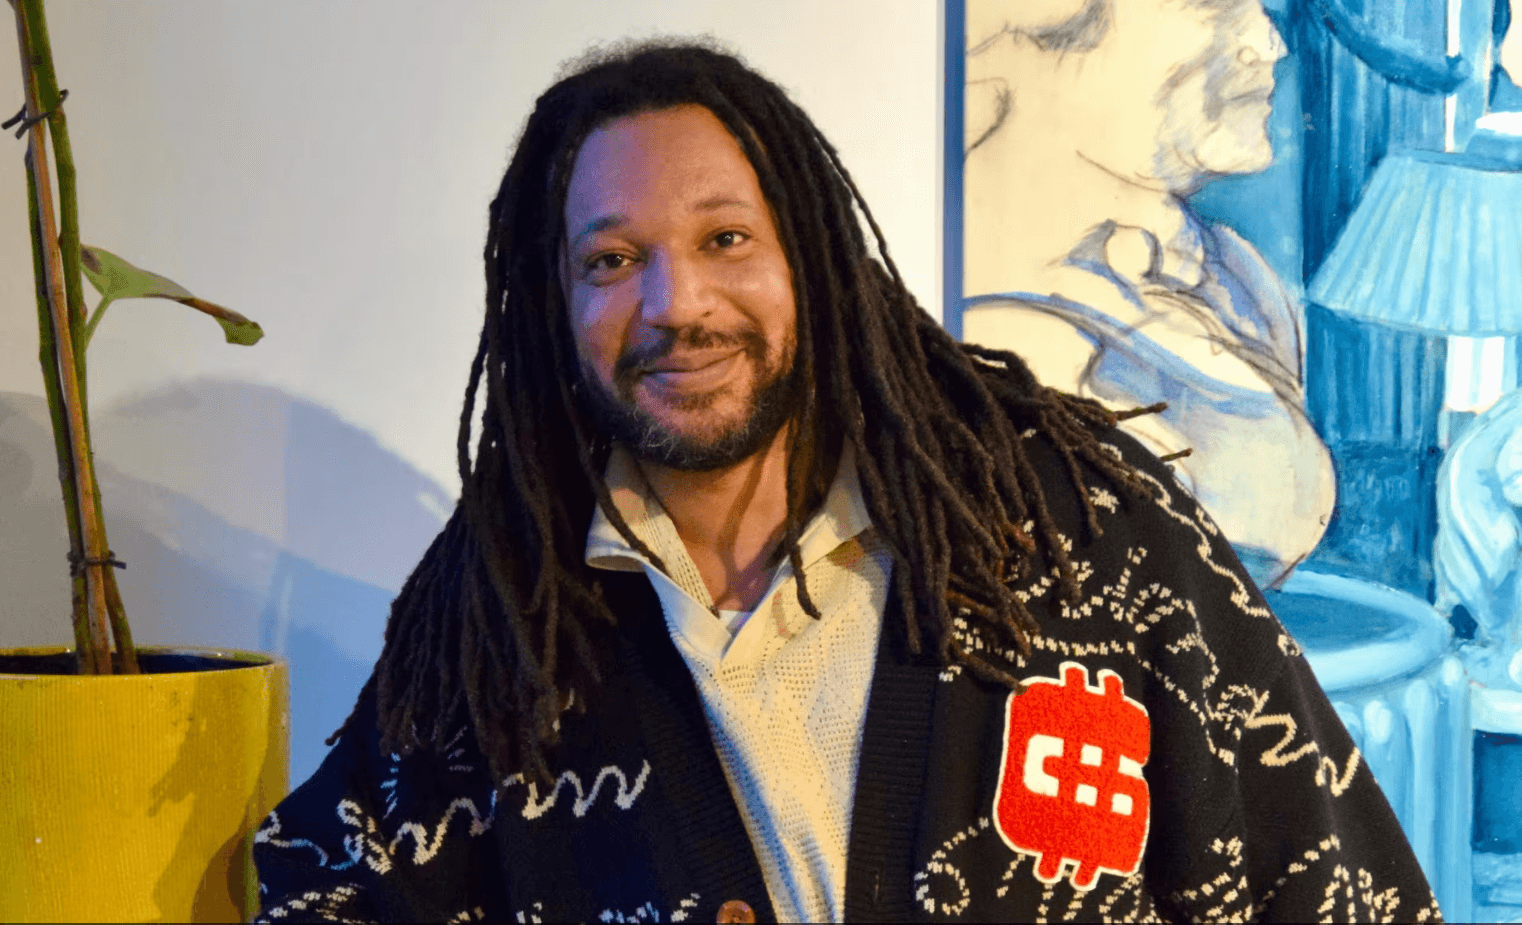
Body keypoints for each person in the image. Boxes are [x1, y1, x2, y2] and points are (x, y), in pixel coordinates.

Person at [253, 41, 1440, 923]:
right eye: (610, 260)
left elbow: (1339, 886)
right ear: (553, 305)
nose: (675, 303)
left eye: (725, 239)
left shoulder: (1083, 529)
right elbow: (327, 886)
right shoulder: (503, 607)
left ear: (811, 257)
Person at [960, 0, 1335, 588]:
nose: (1269, 45)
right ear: (1033, 25)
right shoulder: (973, 313)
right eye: (1213, 6)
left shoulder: (1236, 274)